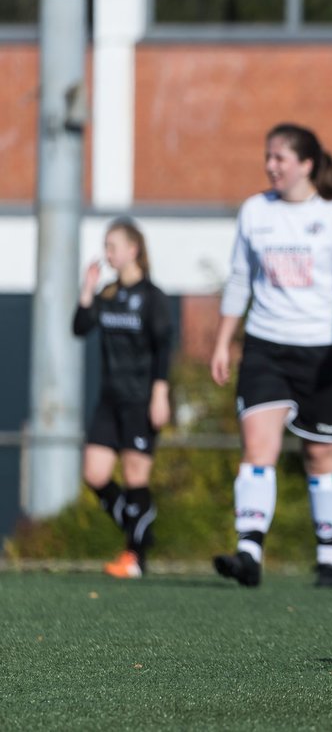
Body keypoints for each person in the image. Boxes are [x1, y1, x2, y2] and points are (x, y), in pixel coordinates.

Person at [210, 123, 332, 589]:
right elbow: (239, 278)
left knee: (320, 454)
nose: (271, 166)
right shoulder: (255, 211)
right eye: (268, 157)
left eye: (280, 158)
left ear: (307, 165)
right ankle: (249, 552)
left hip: (322, 350)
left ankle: (329, 557)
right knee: (258, 447)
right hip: (266, 346)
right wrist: (223, 341)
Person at [75, 219, 173, 579]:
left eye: (113, 245)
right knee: (95, 472)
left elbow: (163, 347)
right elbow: (80, 327)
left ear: (133, 250)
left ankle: (135, 556)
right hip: (110, 399)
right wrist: (87, 289)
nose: (108, 253)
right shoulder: (108, 294)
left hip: (140, 399)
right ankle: (139, 528)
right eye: (106, 245)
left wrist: (160, 393)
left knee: (135, 478)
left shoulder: (153, 297)